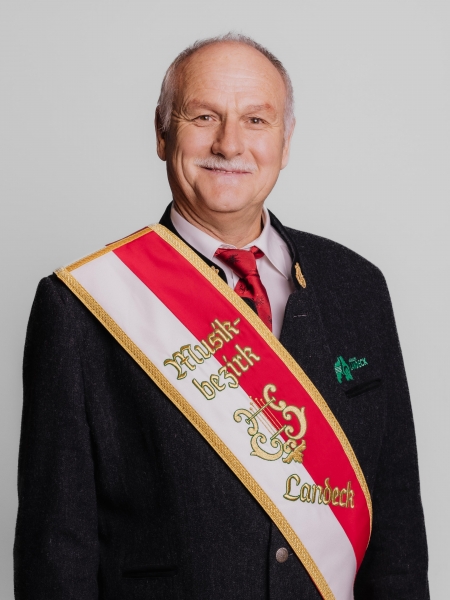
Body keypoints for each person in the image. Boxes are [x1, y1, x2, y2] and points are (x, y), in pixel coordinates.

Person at [14, 33, 429, 600]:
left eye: (256, 120)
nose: (230, 144)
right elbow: (57, 551)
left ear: (285, 141)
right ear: (162, 133)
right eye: (204, 116)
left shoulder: (357, 287)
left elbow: (397, 530)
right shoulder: (80, 306)